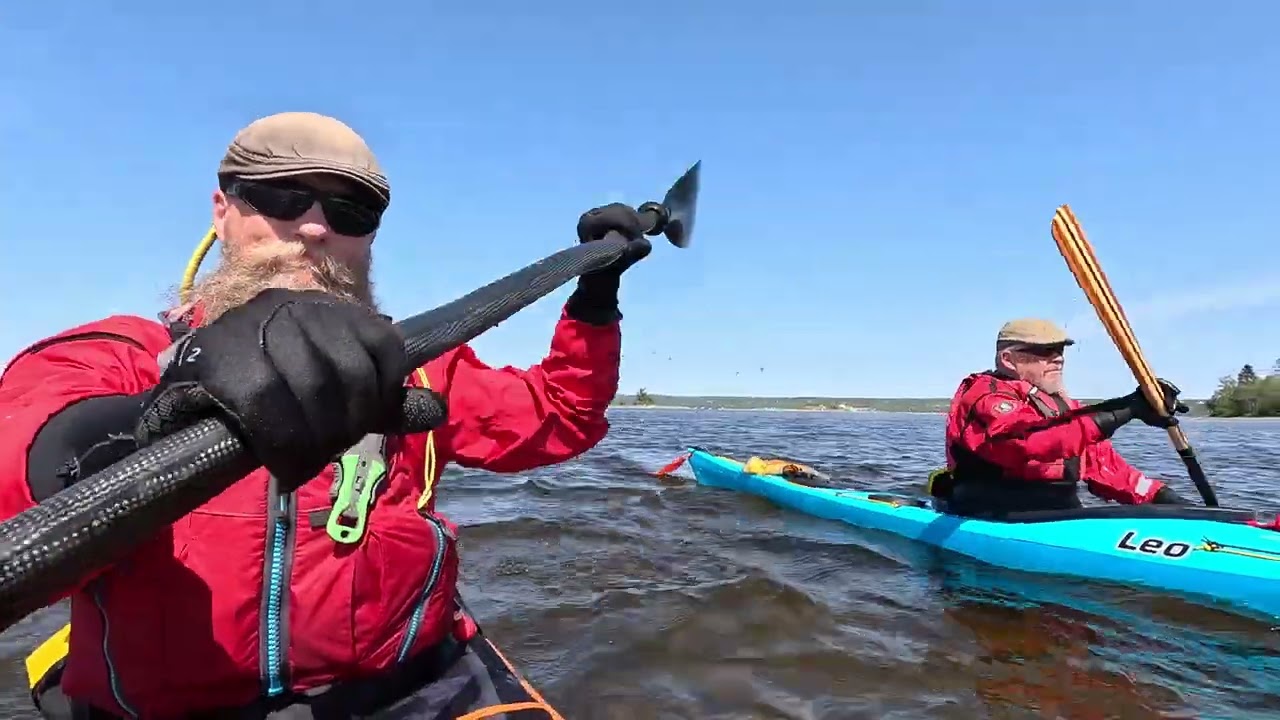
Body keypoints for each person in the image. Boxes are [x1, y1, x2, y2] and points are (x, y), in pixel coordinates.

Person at [0, 111, 654, 719]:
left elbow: (560, 415)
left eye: (349, 210)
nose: (314, 228)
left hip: (406, 689)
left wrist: (596, 298)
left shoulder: (418, 365)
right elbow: (24, 446)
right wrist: (157, 410)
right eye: (281, 197)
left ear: (370, 237)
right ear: (222, 211)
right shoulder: (122, 353)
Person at [931, 317, 1192, 517]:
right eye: (1045, 351)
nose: (1057, 359)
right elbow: (1028, 441)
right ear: (1008, 359)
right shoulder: (985, 395)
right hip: (992, 513)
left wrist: (1169, 501)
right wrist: (1125, 410)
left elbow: (1105, 469)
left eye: (1060, 351)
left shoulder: (1061, 407)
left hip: (1056, 515)